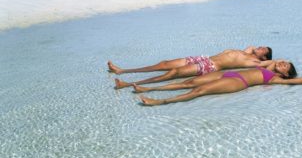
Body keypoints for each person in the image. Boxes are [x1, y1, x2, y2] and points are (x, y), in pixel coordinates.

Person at [136, 60, 302, 106]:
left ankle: (159, 101)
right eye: (283, 62)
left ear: (286, 73)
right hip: (228, 73)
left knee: (199, 91)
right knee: (190, 82)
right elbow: (272, 62)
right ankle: (149, 88)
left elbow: (301, 81)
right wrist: (278, 63)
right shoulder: (270, 67)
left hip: (238, 81)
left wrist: (295, 79)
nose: (282, 63)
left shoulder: (274, 78)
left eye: (285, 66)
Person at [109, 46, 272, 89]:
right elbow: (251, 47)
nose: (260, 46)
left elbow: (272, 62)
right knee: (164, 64)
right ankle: (123, 70)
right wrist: (256, 51)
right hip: (204, 58)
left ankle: (129, 84)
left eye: (264, 49)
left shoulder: (255, 62)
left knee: (173, 73)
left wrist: (264, 58)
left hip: (211, 65)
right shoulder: (246, 51)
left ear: (264, 57)